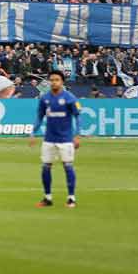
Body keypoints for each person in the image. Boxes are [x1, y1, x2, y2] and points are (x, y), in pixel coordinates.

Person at [28, 70, 81, 208]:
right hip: (49, 139)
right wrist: (33, 133)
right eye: (51, 80)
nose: (54, 82)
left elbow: (77, 116)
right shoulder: (45, 98)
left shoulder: (69, 97)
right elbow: (39, 116)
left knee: (68, 166)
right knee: (46, 167)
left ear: (62, 82)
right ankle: (48, 197)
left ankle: (71, 198)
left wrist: (77, 135)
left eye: (57, 80)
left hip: (65, 139)